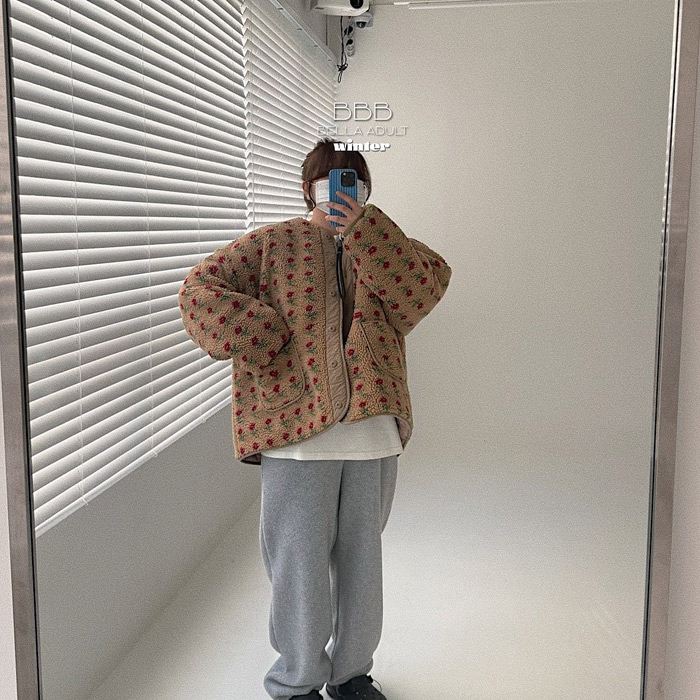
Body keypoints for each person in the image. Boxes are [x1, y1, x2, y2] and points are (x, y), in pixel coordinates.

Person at [178, 138, 452, 700]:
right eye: (333, 179)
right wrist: (264, 335)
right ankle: (297, 681)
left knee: (361, 567)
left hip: (373, 434)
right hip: (295, 434)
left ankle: (351, 676)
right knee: (297, 568)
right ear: (309, 189)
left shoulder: (385, 244)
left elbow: (422, 291)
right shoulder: (272, 244)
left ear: (367, 190)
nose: (345, 189)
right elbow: (199, 291)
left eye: (356, 180)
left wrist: (366, 231)